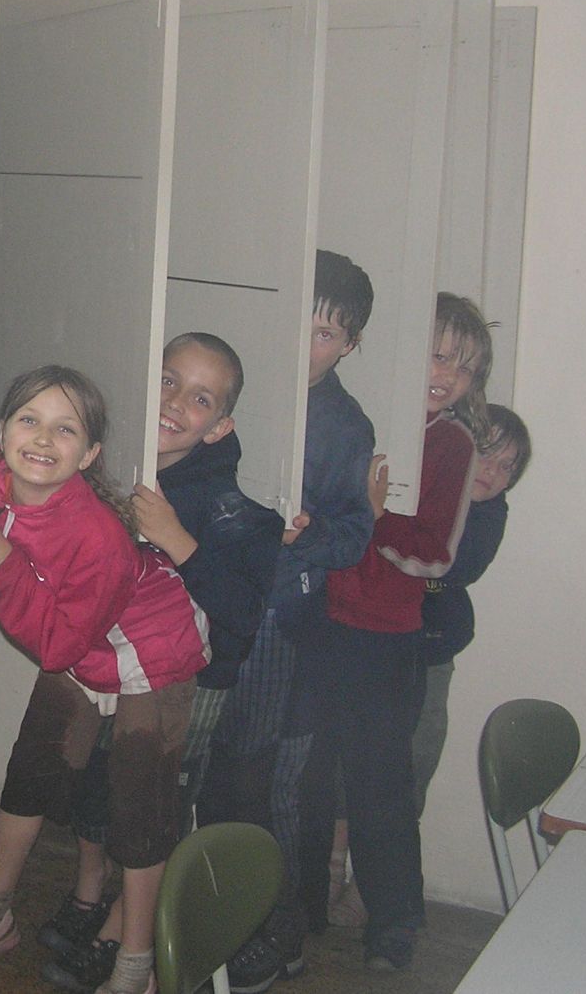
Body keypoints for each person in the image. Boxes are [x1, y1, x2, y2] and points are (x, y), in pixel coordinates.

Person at [0, 366, 209, 994]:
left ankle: (137, 965)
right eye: (30, 420)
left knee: (140, 810)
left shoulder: (97, 537)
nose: (44, 439)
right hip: (82, 644)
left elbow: (56, 644)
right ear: (2, 431)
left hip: (151, 653)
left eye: (65, 429)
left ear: (90, 454)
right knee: (32, 770)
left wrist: (3, 562)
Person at [37, 333, 283, 993]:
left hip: (190, 682)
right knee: (98, 787)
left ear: (220, 425)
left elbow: (241, 615)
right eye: (168, 381)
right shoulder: (109, 463)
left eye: (200, 398)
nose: (174, 402)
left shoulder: (229, 503)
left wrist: (175, 537)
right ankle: (94, 902)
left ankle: (125, 936)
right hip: (116, 663)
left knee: (151, 808)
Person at [294, 292, 491, 974]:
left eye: (464, 367)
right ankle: (301, 913)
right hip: (318, 620)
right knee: (307, 775)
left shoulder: (453, 442)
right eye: (437, 355)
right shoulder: (359, 414)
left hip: (384, 639)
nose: (448, 374)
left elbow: (435, 555)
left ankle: (395, 921)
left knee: (380, 786)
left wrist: (373, 519)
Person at [201, 252, 377, 994]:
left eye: (325, 333)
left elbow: (355, 531)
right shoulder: (238, 389)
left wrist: (308, 533)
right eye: (298, 322)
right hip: (214, 598)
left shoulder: (344, 424)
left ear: (349, 345)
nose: (306, 343)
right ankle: (213, 916)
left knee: (262, 778)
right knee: (208, 769)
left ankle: (279, 932)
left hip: (279, 613)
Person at [412, 404, 532, 815]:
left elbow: (458, 565)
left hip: (433, 650)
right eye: (486, 454)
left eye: (507, 467)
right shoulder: (420, 487)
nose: (492, 471)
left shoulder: (489, 513)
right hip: (381, 643)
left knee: (421, 751)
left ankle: (393, 842)